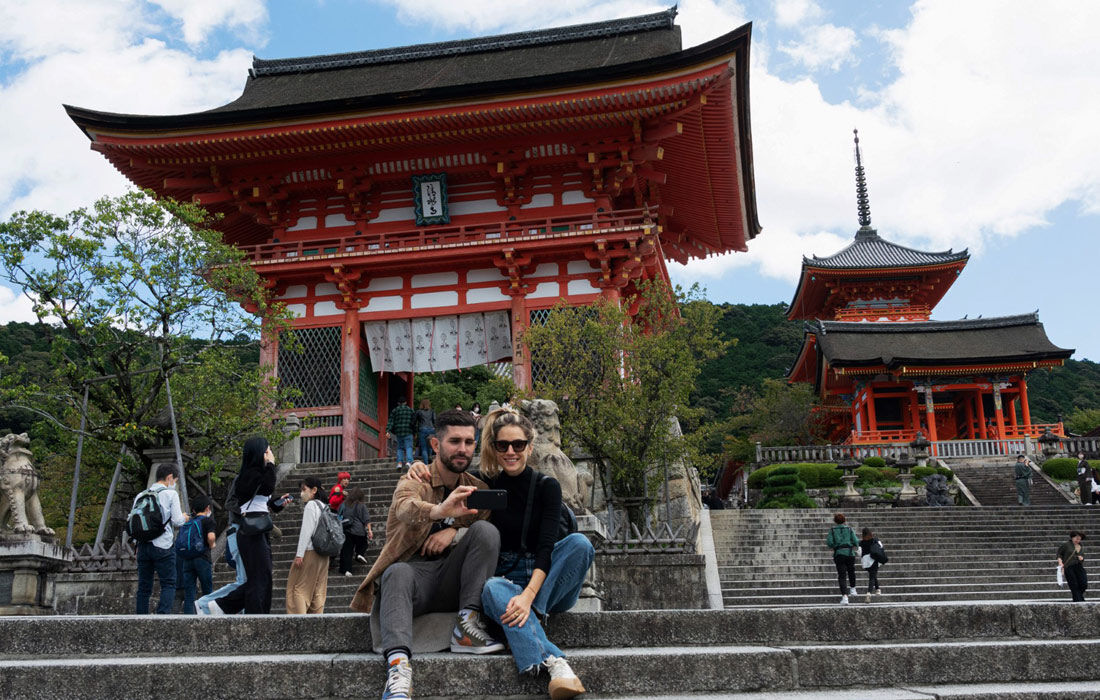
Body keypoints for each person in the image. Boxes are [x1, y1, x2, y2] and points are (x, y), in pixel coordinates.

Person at [350, 409, 503, 700]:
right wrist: (439, 512)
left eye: (469, 442)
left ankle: (466, 627)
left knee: (485, 531)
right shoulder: (414, 480)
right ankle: (398, 668)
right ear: (435, 444)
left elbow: (482, 540)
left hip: (452, 580)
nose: (462, 449)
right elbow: (405, 507)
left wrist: (454, 532)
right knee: (396, 572)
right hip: (412, 581)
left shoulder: (478, 489)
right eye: (454, 441)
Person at [478, 408, 594, 700]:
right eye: (502, 445)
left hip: (550, 581)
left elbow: (546, 547)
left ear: (529, 447)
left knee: (580, 544)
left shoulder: (547, 486)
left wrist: (529, 598)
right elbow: (446, 485)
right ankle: (556, 662)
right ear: (494, 448)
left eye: (518, 444)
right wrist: (418, 468)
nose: (510, 451)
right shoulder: (486, 483)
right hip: (507, 577)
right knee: (491, 588)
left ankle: (534, 615)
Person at [216, 437, 290, 615]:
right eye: (268, 450)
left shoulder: (258, 474)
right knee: (258, 578)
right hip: (248, 532)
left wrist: (276, 504)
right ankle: (223, 606)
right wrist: (271, 464)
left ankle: (252, 612)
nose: (270, 453)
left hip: (258, 530)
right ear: (260, 453)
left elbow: (263, 499)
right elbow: (267, 486)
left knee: (263, 577)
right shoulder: (248, 475)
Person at [133, 464, 188, 614]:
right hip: (162, 545)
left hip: (143, 545)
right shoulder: (170, 494)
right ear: (170, 477)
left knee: (144, 587)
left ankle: (140, 619)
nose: (174, 483)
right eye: (174, 480)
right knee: (169, 583)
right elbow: (177, 521)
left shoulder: (141, 495)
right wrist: (184, 517)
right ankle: (162, 618)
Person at [286, 476, 331, 614]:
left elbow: (306, 531)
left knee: (297, 588)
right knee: (318, 591)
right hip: (324, 555)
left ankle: (299, 622)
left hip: (310, 551)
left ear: (314, 490)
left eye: (304, 490)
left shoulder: (311, 506)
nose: (301, 493)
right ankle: (316, 623)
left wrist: (300, 554)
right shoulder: (325, 507)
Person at [178, 495, 216, 615]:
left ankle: (188, 618)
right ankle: (207, 617)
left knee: (189, 592)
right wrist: (212, 544)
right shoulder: (208, 520)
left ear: (193, 509)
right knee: (207, 590)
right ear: (207, 508)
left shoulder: (189, 521)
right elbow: (211, 537)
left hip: (187, 558)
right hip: (202, 558)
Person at [339, 487, 373, 576]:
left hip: (346, 529)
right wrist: (369, 530)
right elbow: (366, 519)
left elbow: (339, 516)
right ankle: (359, 554)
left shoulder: (344, 504)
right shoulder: (362, 505)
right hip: (359, 531)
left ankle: (347, 570)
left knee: (347, 550)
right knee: (363, 543)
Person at [826, 512, 859, 605]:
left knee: (842, 575)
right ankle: (853, 589)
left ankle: (845, 596)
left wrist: (835, 546)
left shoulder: (832, 530)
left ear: (835, 521)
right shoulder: (849, 529)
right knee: (851, 571)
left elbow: (829, 542)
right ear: (844, 520)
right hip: (850, 553)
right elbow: (856, 541)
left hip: (839, 553)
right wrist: (854, 545)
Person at [1058, 530, 1087, 602]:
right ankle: (1079, 601)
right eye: (1077, 538)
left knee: (1084, 583)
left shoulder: (1080, 546)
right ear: (1072, 537)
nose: (1078, 540)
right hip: (1069, 567)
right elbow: (1059, 554)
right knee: (1074, 585)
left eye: (1080, 539)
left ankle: (1078, 598)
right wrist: (1060, 563)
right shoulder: (1066, 545)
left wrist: (1082, 558)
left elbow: (1082, 557)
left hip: (1079, 566)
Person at [388, 399, 416, 471]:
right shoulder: (410, 410)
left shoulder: (395, 411)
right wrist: (415, 432)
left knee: (400, 448)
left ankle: (399, 463)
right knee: (408, 447)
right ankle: (408, 462)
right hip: (408, 431)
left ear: (398, 403)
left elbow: (391, 421)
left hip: (399, 432)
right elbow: (414, 422)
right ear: (405, 402)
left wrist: (388, 430)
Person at [859, 527, 883, 602]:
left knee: (872, 574)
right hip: (875, 559)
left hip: (866, 562)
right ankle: (869, 593)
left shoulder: (861, 542)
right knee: (872, 577)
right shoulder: (875, 540)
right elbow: (881, 547)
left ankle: (878, 589)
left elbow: (859, 552)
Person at [415, 398, 437, 463]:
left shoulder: (419, 412)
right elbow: (434, 420)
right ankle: (429, 457)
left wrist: (415, 430)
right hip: (431, 429)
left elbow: (414, 421)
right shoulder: (432, 411)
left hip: (422, 429)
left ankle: (426, 463)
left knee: (424, 448)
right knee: (430, 446)